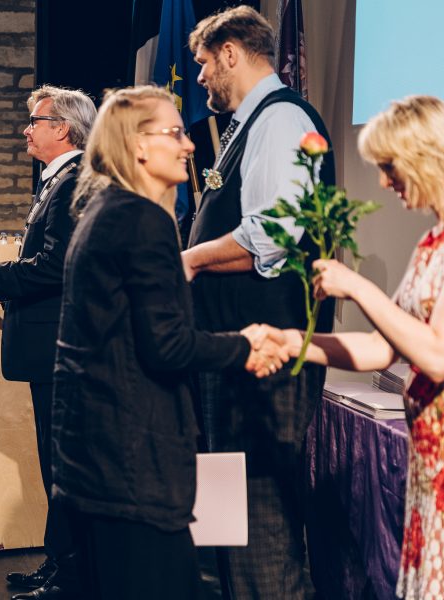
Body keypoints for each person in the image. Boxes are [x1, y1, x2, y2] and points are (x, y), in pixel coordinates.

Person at [51, 85, 288, 600]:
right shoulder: (142, 219)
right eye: (176, 133)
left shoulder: (103, 211)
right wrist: (245, 345)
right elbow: (168, 346)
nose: (189, 145)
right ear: (138, 145)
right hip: (131, 465)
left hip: (94, 462)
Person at [286, 95, 444, 600]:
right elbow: (381, 347)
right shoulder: (436, 239)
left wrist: (356, 286)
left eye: (390, 166)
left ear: (427, 156)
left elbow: (440, 355)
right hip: (435, 458)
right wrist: (296, 343)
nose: (383, 181)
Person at [180, 7, 336, 597]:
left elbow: (274, 233)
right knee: (226, 524)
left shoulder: (281, 118)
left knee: (260, 522)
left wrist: (190, 259)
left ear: (230, 53)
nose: (199, 77)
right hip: (231, 351)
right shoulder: (249, 125)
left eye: (203, 63)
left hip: (266, 356)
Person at [0, 84, 97, 600]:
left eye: (34, 121)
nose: (26, 130)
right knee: (51, 463)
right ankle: (58, 564)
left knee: (62, 465)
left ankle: (72, 577)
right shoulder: (56, 180)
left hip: (59, 347)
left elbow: (57, 265)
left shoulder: (74, 181)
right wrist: (1, 288)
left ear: (63, 128)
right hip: (45, 345)